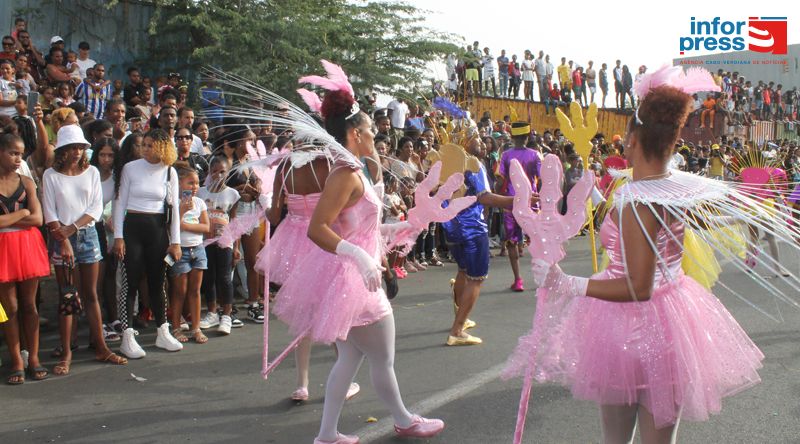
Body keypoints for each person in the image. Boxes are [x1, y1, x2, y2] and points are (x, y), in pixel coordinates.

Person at [508, 73, 765, 443]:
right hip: (675, 322)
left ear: (631, 140)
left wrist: (567, 283)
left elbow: (639, 287)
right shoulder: (678, 189)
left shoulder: (636, 202)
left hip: (627, 333)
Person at [272, 64, 444, 443]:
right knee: (381, 357)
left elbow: (358, 225)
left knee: (350, 358)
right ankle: (403, 419)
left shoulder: (355, 170)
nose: (375, 133)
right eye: (369, 129)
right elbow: (319, 229)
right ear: (355, 133)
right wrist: (362, 257)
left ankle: (327, 434)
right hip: (353, 280)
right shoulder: (345, 174)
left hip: (351, 279)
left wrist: (396, 229)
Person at [43, 125, 128, 376]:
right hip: (61, 238)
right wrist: (64, 239)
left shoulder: (91, 172)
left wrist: (71, 230)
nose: (79, 152)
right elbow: (49, 212)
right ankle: (67, 350)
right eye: (74, 148)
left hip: (88, 235)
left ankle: (101, 346)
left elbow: (94, 208)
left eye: (81, 147)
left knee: (92, 294)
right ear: (63, 150)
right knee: (67, 295)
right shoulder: (50, 175)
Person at [113, 128, 183, 358]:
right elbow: (119, 202)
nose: (144, 149)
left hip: (158, 231)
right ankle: (127, 335)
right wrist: (118, 237)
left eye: (150, 145)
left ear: (162, 147)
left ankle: (163, 331)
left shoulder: (169, 171)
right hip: (132, 228)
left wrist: (176, 242)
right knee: (130, 282)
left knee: (157, 282)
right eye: (143, 144)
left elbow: (174, 209)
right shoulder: (130, 168)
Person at [0, 133, 51, 384]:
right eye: (13, 153)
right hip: (3, 250)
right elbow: (28, 215)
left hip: (27, 246)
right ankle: (16, 359)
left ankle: (33, 358)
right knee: (9, 309)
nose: (18, 158)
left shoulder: (27, 182)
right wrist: (22, 213)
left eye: (20, 153)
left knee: (30, 306)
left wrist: (7, 220)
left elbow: (38, 219)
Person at [198, 156, 242, 333]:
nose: (218, 175)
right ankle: (212, 312)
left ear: (227, 173)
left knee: (224, 277)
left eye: (222, 171)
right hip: (204, 241)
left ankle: (226, 315)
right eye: (214, 171)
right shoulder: (201, 193)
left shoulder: (232, 194)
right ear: (209, 172)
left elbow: (234, 220)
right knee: (208, 278)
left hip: (225, 241)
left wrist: (236, 247)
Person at [168, 161, 210, 344]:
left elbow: (206, 227)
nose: (194, 187)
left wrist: (185, 225)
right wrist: (181, 212)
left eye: (196, 183)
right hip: (180, 251)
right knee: (179, 291)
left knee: (195, 291)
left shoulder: (200, 203)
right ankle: (176, 327)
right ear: (178, 183)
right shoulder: (173, 203)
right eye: (190, 183)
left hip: (198, 250)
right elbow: (169, 228)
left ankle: (196, 327)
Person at [497, 122, 541, 292]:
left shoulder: (506, 155)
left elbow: (500, 179)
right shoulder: (535, 155)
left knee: (512, 242)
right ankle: (543, 276)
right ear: (527, 136)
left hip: (512, 202)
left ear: (513, 137)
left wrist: (496, 195)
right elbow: (541, 177)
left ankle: (518, 280)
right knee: (538, 239)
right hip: (531, 201)